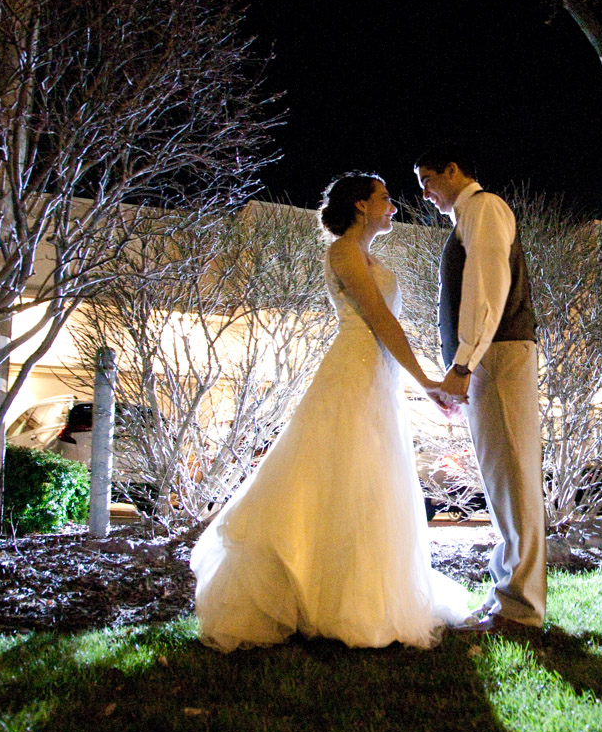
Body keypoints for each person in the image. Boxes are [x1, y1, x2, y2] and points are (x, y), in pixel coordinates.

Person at [191, 173, 472, 652]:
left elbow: (388, 325)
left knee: (368, 480)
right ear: (361, 205)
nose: (393, 207)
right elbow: (381, 321)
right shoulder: (343, 251)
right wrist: (425, 380)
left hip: (376, 375)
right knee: (342, 474)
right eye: (385, 199)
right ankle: (327, 598)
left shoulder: (368, 256)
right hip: (352, 372)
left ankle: (359, 593)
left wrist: (412, 379)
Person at [415, 144, 545, 632]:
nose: (424, 193)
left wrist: (464, 365)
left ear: (453, 170)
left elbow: (488, 291)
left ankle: (520, 610)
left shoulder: (485, 208)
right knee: (502, 482)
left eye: (427, 179)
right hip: (491, 357)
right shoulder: (467, 217)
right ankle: (506, 598)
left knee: (513, 481)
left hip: (500, 355)